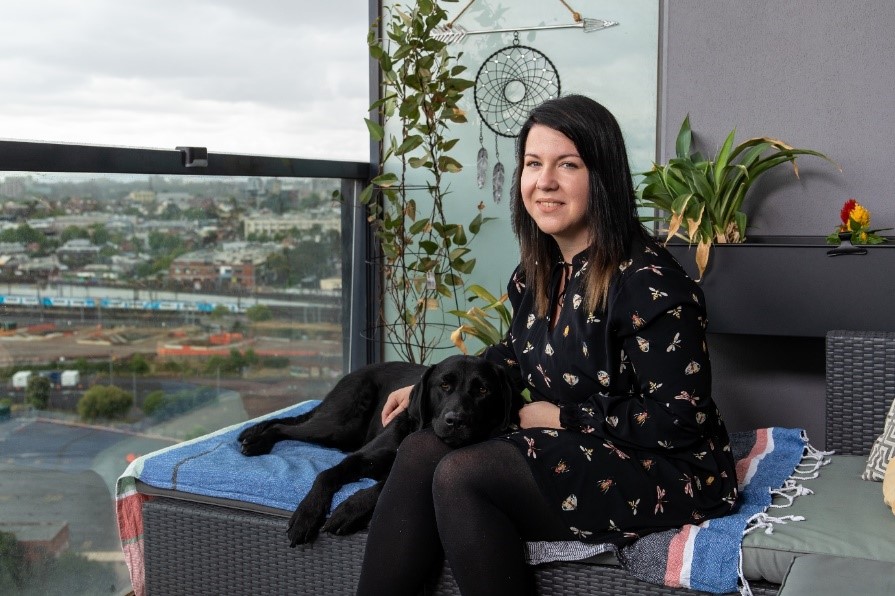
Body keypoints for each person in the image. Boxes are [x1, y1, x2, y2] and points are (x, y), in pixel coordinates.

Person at [355, 94, 737, 596]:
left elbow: (680, 421)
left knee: (462, 473)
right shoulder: (536, 274)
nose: (545, 182)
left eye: (568, 165)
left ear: (602, 177)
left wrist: (565, 418)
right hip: (587, 448)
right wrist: (428, 383)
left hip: (670, 471)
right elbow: (511, 357)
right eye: (533, 164)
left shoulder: (650, 284)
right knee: (425, 445)